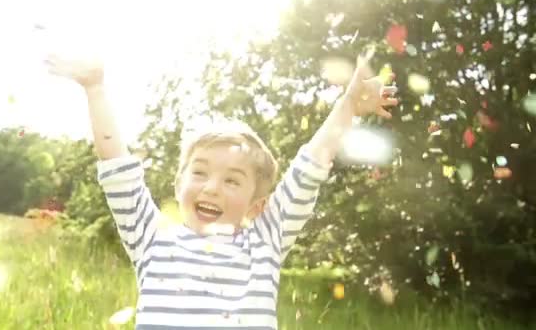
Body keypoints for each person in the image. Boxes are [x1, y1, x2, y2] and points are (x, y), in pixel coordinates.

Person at [45, 46, 398, 328]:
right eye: (199, 173)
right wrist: (95, 89)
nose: (211, 188)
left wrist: (348, 105)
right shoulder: (151, 237)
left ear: (256, 206)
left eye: (232, 180)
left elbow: (308, 169)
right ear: (179, 183)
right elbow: (118, 168)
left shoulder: (265, 242)